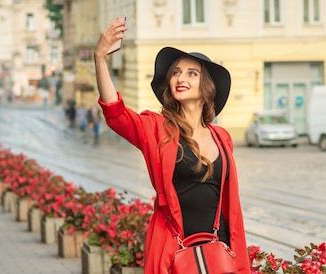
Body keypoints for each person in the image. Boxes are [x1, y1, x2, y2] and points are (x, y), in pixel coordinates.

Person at [94, 18, 251, 273]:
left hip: (219, 250)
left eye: (192, 73)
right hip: (173, 252)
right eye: (176, 72)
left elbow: (231, 208)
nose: (181, 77)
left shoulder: (223, 138)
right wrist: (100, 58)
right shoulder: (157, 129)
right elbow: (116, 114)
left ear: (206, 88)